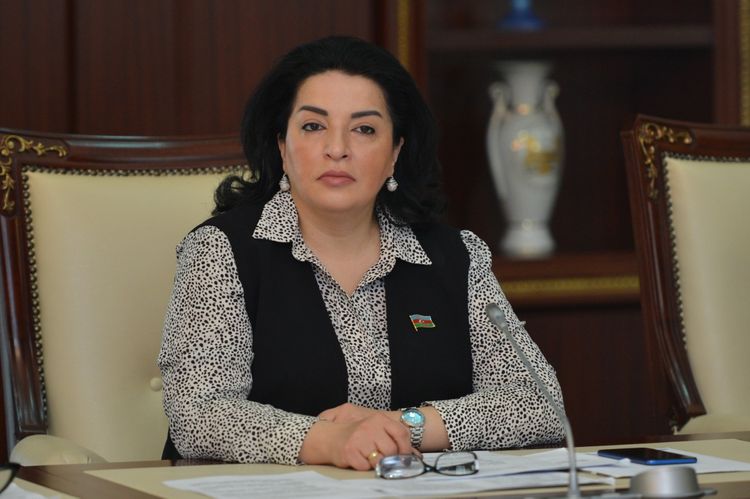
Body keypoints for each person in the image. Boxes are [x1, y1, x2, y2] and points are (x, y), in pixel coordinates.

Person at [158, 36, 565, 470]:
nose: (337, 149)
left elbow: (540, 403)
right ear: (281, 145)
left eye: (364, 129)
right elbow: (198, 415)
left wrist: (401, 426)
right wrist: (331, 441)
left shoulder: (455, 257)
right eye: (313, 126)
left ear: (395, 153)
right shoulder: (221, 251)